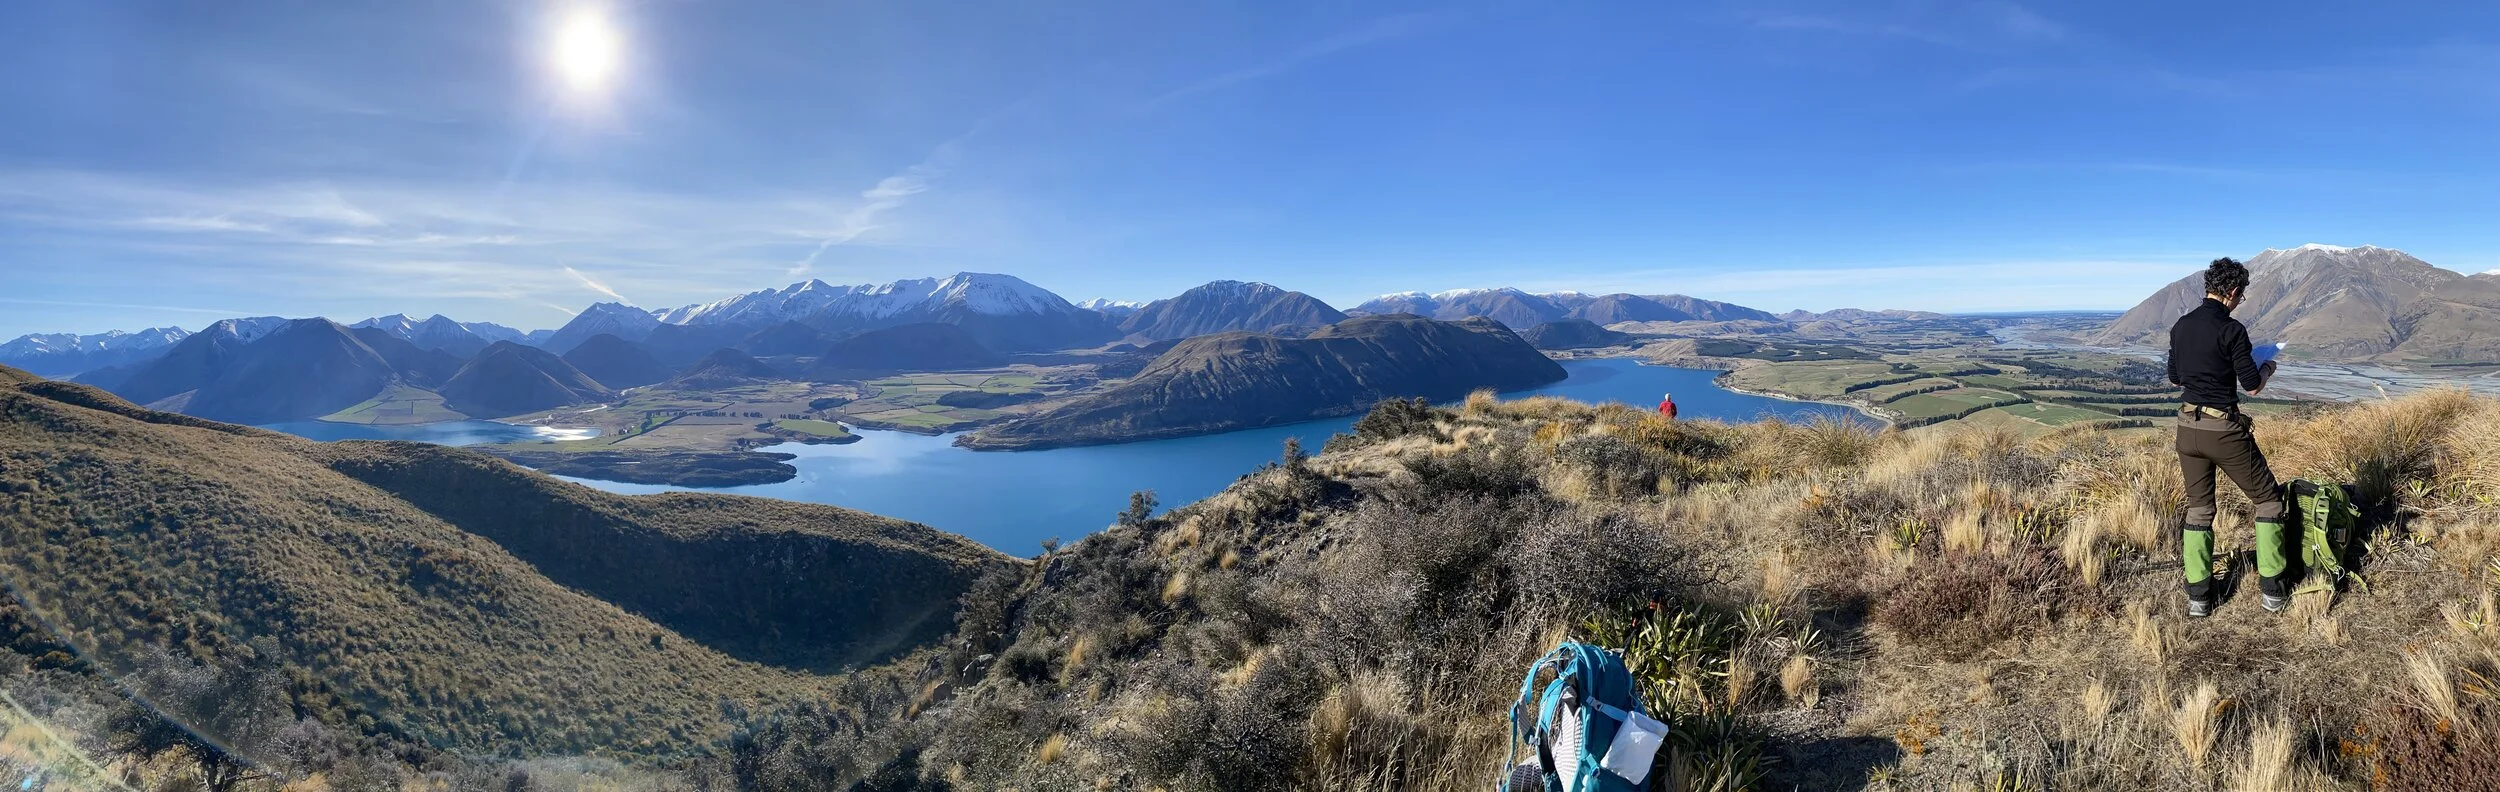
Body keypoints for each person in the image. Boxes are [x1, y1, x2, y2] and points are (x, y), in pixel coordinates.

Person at [2168, 257, 2285, 618]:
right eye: (2242, 295)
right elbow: (2251, 387)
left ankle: (2199, 599)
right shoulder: (2232, 331)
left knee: (2200, 509)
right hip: (2224, 430)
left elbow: (2175, 379)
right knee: (2269, 503)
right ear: (2233, 292)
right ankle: (2273, 592)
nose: (2240, 301)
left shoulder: (2181, 326)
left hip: (2187, 429)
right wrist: (2267, 367)